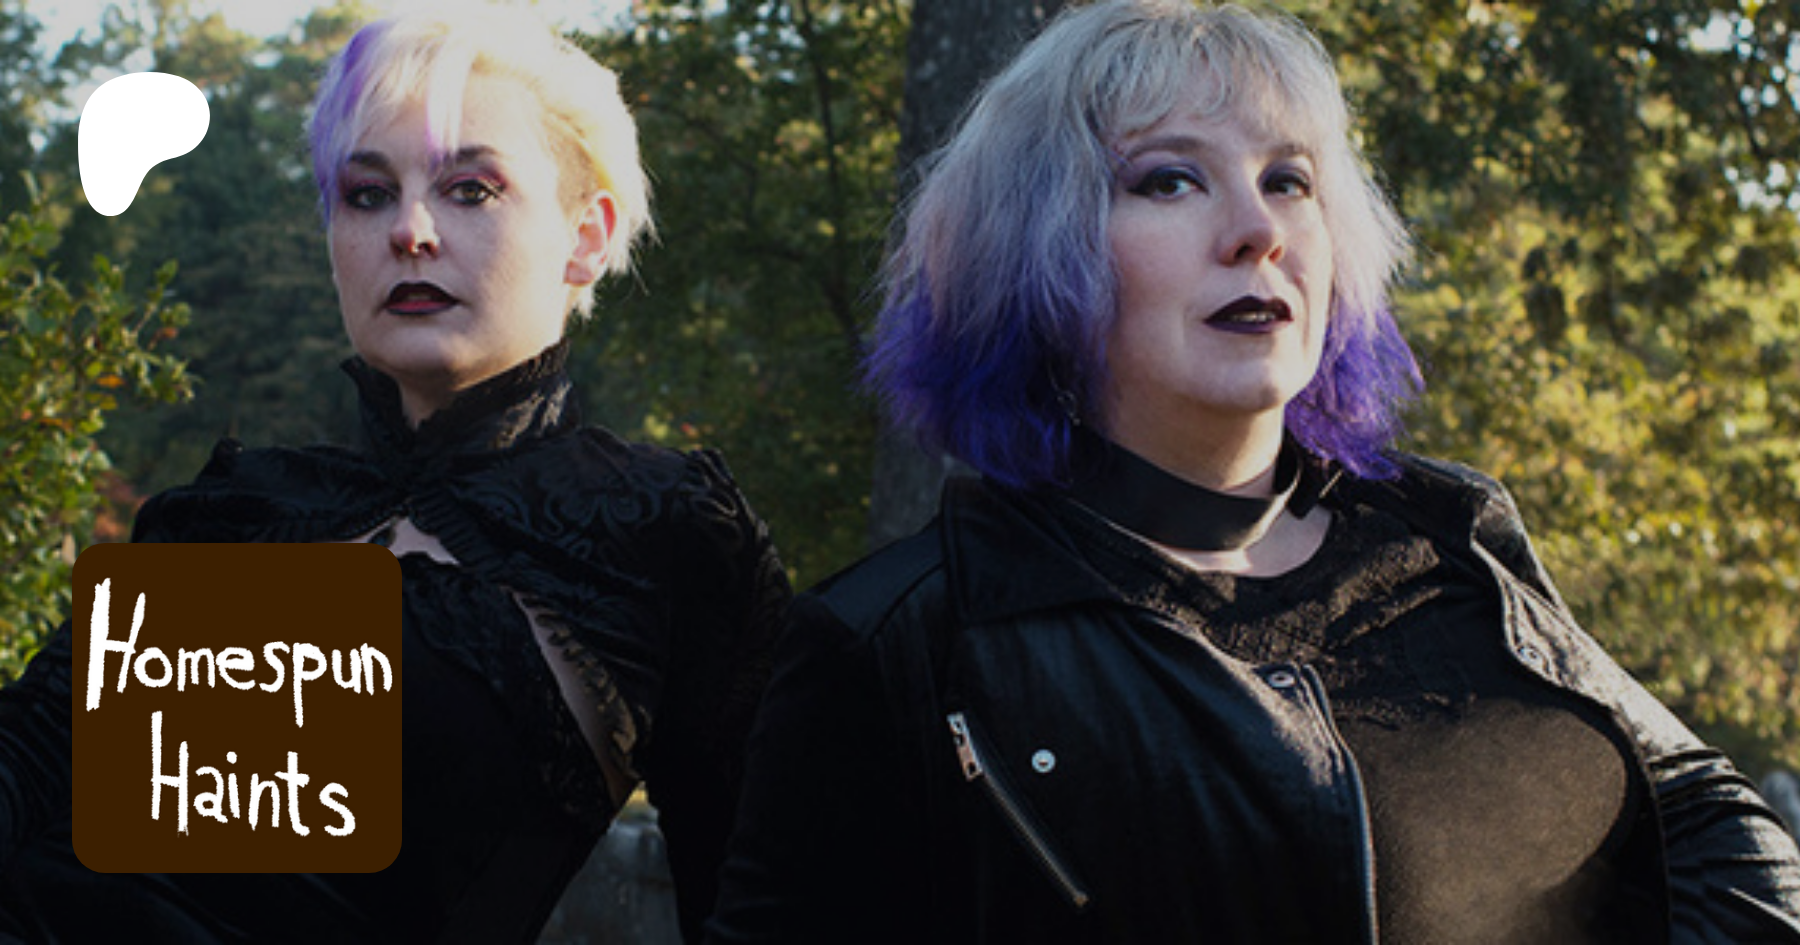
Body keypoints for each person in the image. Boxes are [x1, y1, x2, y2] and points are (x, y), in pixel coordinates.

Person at [705, 1, 1800, 942]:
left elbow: (1723, 839)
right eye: (1170, 180)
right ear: (1035, 249)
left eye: (1289, 180)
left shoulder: (1452, 533)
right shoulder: (898, 642)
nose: (1255, 231)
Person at [0, 5, 788, 942]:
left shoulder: (659, 526)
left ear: (586, 236)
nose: (410, 230)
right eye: (368, 194)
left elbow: (772, 892)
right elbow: (31, 761)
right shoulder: (234, 506)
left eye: (471, 189)